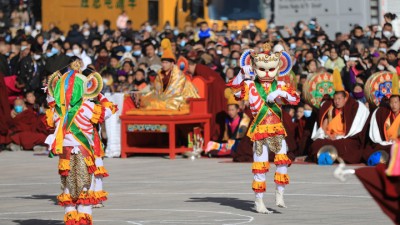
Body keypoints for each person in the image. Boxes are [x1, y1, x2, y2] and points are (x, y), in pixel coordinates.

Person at [228, 43, 300, 213]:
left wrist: (280, 94)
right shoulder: (251, 86)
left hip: (276, 129)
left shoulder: (280, 85)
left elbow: (295, 98)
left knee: (282, 161)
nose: (267, 73)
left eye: (270, 69)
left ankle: (279, 192)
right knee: (260, 165)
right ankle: (259, 201)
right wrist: (242, 71)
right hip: (259, 130)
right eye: (262, 69)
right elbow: (236, 91)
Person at [44, 60, 116, 225]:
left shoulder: (57, 112)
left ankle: (70, 218)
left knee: (68, 187)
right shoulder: (87, 107)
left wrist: (52, 92)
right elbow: (108, 111)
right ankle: (83, 219)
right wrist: (102, 98)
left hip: (65, 155)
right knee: (85, 187)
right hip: (84, 153)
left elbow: (50, 105)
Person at [309, 68, 370, 164]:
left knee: (346, 145)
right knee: (317, 144)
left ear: (345, 99)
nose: (336, 101)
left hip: (343, 137)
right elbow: (324, 127)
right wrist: (328, 136)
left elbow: (350, 129)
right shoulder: (330, 110)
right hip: (330, 137)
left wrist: (339, 136)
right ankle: (325, 157)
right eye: (335, 99)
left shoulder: (350, 110)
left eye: (339, 99)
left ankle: (329, 156)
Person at [134, 39, 199, 112]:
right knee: (145, 100)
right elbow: (156, 90)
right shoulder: (160, 73)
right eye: (163, 63)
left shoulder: (178, 75)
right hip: (164, 97)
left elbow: (175, 92)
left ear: (172, 64)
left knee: (159, 104)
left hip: (179, 98)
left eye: (166, 63)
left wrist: (161, 98)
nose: (164, 65)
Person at [365, 74, 400, 165]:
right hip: (388, 142)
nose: (393, 105)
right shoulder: (386, 114)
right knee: (371, 149)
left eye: (396, 102)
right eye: (391, 102)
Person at [205, 89, 250, 156]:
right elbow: (225, 137)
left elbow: (241, 137)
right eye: (229, 110)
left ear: (238, 110)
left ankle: (223, 152)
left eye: (232, 110)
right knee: (210, 144)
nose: (230, 112)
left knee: (234, 146)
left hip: (239, 143)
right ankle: (223, 151)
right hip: (229, 143)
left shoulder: (244, 119)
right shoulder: (228, 120)